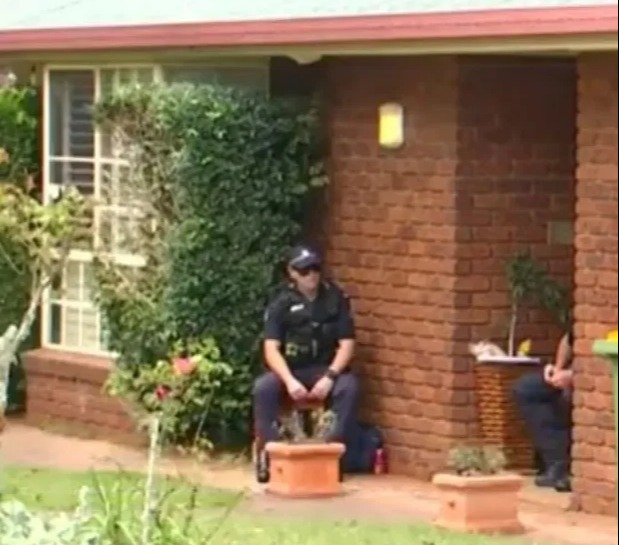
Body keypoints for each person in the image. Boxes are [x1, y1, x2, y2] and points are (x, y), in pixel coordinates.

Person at [253, 244, 359, 481]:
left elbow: (347, 344)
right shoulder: (281, 303)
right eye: (304, 271)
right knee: (264, 388)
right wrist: (289, 381)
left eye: (315, 269)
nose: (311, 275)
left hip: (324, 368)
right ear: (292, 273)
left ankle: (333, 456)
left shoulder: (335, 298)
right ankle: (271, 454)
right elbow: (271, 349)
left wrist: (330, 377)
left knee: (349, 387)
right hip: (291, 370)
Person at [513, 330, 574, 492]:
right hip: (569, 377)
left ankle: (567, 469)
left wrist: (574, 376)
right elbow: (568, 339)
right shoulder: (584, 318)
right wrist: (558, 369)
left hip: (595, 380)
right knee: (527, 388)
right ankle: (557, 464)